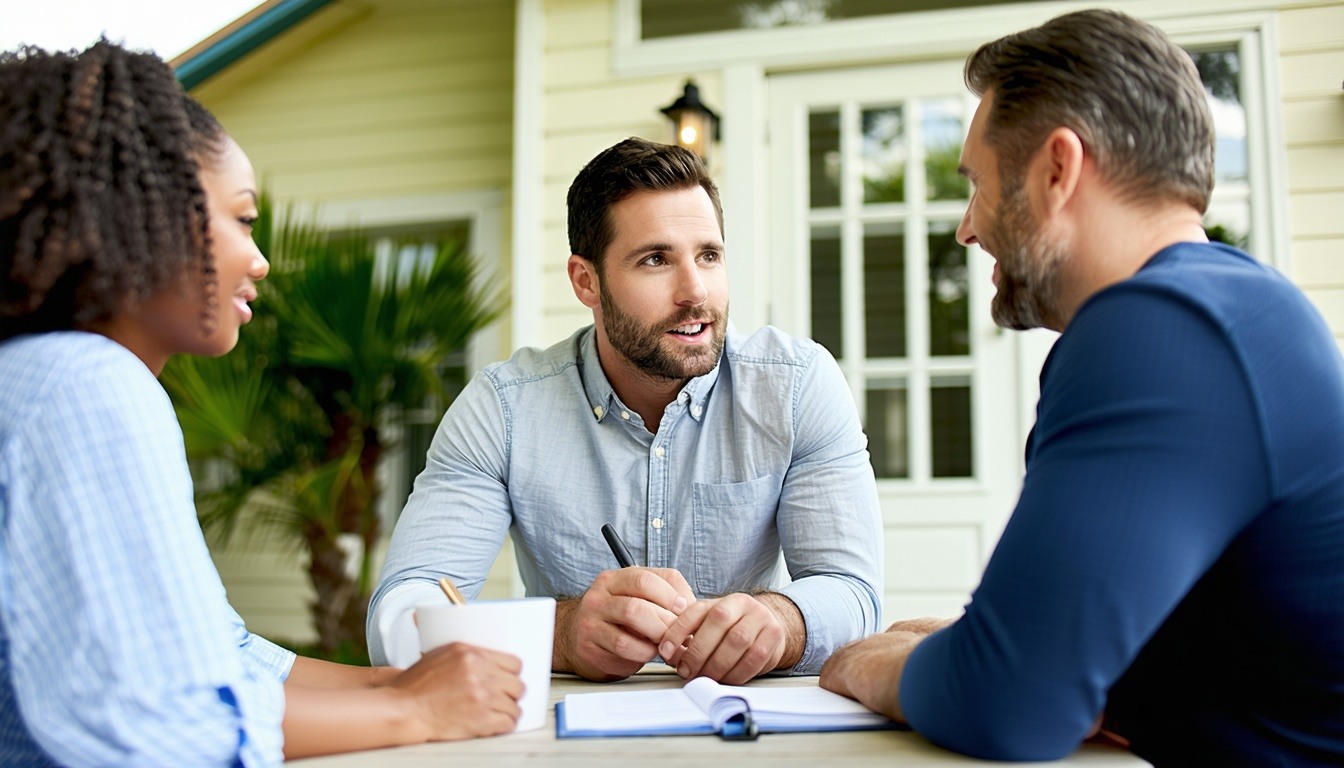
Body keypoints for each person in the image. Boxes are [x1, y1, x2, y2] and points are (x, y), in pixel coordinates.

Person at [818, 8, 1344, 766]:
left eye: (978, 183)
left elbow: (1006, 702)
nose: (967, 228)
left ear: (1057, 170)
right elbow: (1090, 660)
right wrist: (976, 651)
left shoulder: (1165, 329)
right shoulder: (1230, 306)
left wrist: (867, 664)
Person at [0, 40, 524, 767]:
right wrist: (415, 709)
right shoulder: (85, 385)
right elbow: (157, 727)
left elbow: (224, 655)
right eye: (243, 220)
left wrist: (399, 684)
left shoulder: (42, 374)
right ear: (144, 213)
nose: (261, 260)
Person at [369, 137, 883, 684]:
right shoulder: (504, 409)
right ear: (586, 281)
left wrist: (781, 620)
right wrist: (560, 635)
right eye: (656, 260)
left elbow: (853, 594)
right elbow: (399, 617)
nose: (695, 292)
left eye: (709, 256)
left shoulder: (797, 386)